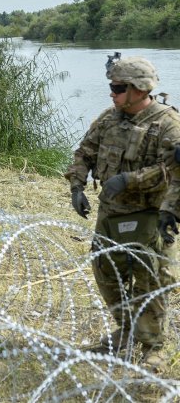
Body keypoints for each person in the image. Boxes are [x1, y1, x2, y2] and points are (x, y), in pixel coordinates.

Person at [65, 54, 180, 371]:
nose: (112, 93)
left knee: (150, 280)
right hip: (111, 214)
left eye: (118, 87)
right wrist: (77, 186)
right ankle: (127, 331)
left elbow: (173, 169)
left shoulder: (167, 123)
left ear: (139, 89)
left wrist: (131, 180)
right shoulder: (109, 118)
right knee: (107, 273)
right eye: (112, 87)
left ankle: (154, 344)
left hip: (150, 214)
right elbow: (84, 151)